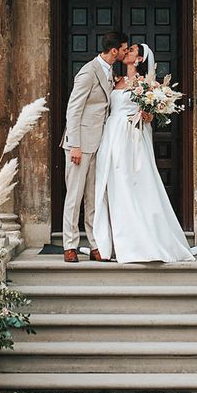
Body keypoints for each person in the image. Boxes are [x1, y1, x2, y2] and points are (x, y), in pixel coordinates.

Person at [92, 43, 197, 264]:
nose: (127, 52)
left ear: (139, 59)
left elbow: (150, 114)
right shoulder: (115, 79)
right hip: (111, 134)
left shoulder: (147, 85)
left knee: (132, 182)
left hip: (132, 136)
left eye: (131, 51)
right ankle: (112, 240)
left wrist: (147, 114)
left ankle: (138, 239)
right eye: (127, 49)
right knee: (111, 182)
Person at [61, 31, 129, 263]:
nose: (125, 52)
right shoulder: (88, 72)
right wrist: (75, 145)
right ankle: (69, 245)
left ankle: (94, 244)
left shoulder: (111, 72)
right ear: (114, 51)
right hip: (80, 144)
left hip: (101, 143)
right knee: (74, 195)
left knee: (94, 197)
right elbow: (73, 109)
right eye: (123, 48)